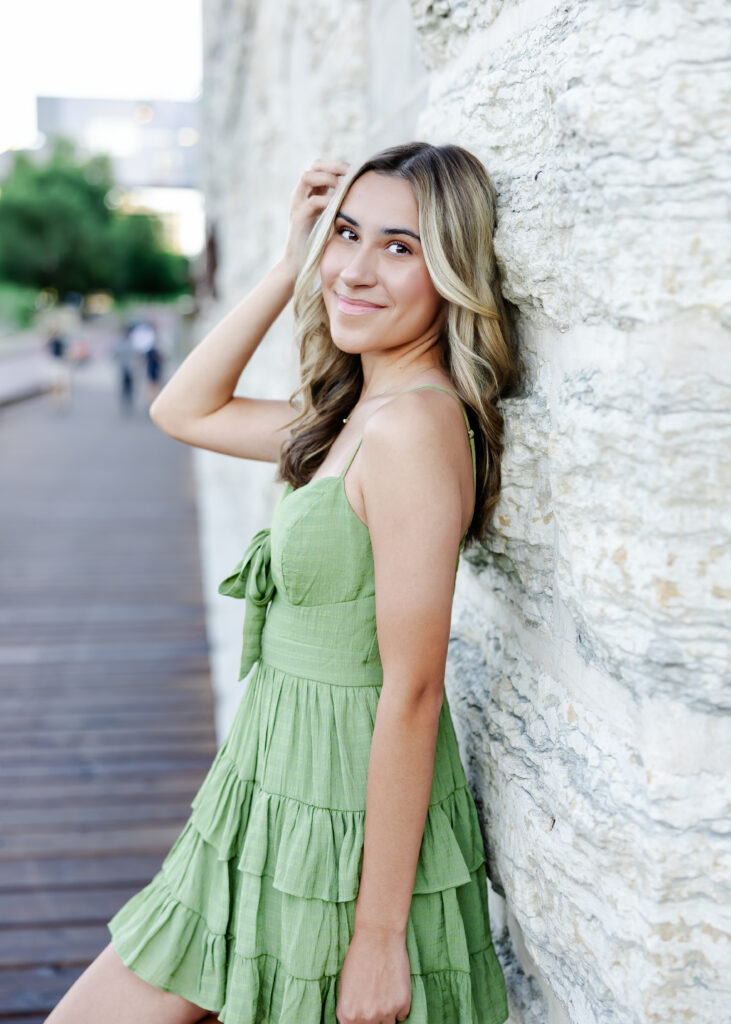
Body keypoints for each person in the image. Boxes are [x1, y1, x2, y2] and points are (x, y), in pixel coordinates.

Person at [47, 142, 521, 1024]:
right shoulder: (356, 415)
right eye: (348, 234)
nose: (356, 269)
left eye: (400, 247)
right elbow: (182, 408)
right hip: (266, 786)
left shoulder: (413, 427)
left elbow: (412, 692)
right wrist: (287, 263)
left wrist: (378, 939)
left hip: (339, 812)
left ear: (452, 271)